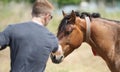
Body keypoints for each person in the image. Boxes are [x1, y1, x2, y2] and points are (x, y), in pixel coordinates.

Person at [0, 0, 62, 72]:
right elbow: (59, 51)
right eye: (51, 17)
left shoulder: (13, 29)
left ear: (32, 13)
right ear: (47, 16)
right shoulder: (51, 38)